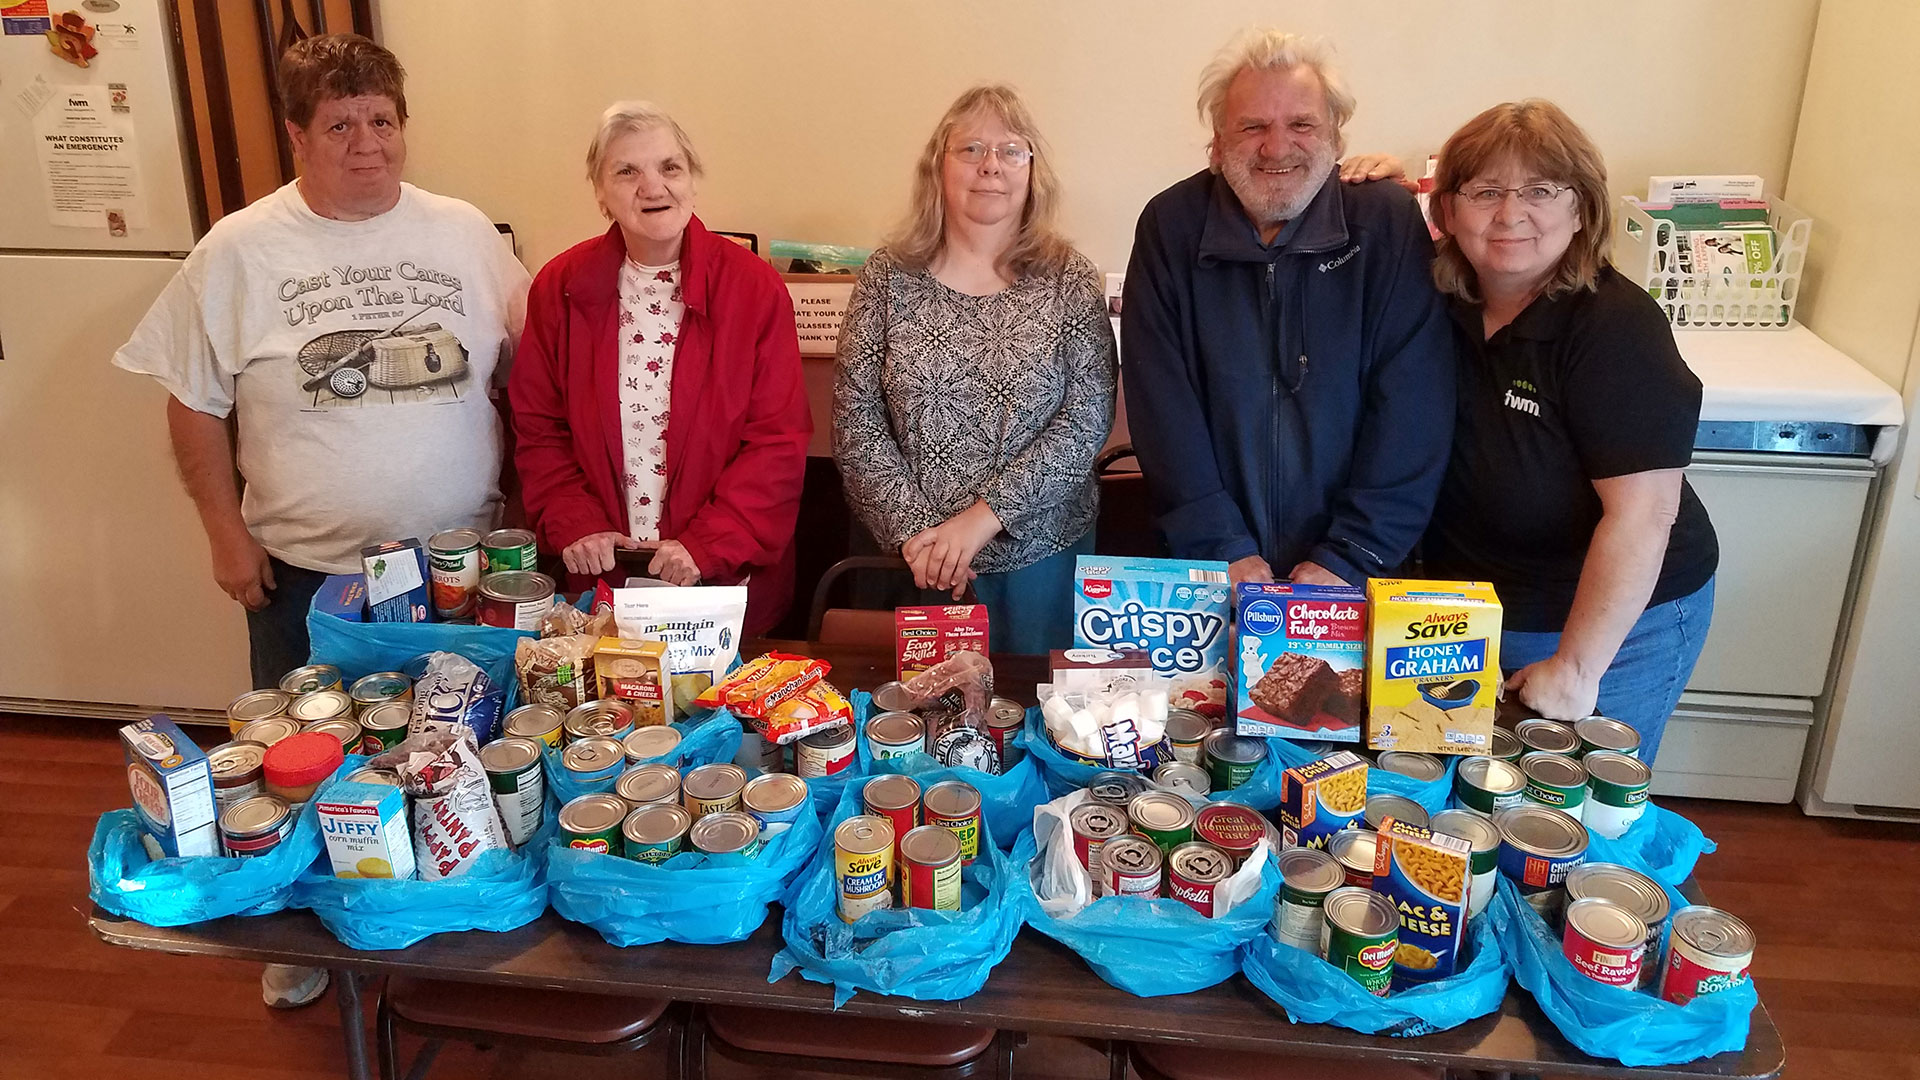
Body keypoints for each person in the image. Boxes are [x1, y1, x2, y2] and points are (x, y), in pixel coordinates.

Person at [113, 34, 529, 1008]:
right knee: (305, 762)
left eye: (381, 120)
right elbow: (189, 398)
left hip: (454, 568)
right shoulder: (241, 248)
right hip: (303, 570)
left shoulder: (469, 233)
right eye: (339, 124)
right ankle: (303, 933)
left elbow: (535, 376)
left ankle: (443, 912)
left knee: (456, 752)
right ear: (297, 134)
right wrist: (224, 530)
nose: (365, 143)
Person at [1420, 100, 1718, 762]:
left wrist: (1579, 667)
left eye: (1540, 191)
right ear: (1447, 210)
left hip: (1607, 625)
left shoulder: (1614, 327)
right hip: (1467, 612)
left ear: (1582, 209)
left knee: (1569, 808)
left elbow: (1643, 515)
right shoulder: (1438, 299)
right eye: (1485, 191)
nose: (1510, 213)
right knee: (1468, 801)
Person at [1122, 29, 1454, 588]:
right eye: (1252, 126)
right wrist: (1221, 547)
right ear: (1217, 140)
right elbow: (1162, 404)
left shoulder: (1386, 224)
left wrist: (1348, 555)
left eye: (1301, 124)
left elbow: (1414, 408)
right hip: (1208, 574)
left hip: (1358, 575)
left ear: (1336, 135)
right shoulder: (1171, 225)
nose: (1276, 148)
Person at [832, 85, 1117, 654]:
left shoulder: (1070, 278)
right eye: (970, 149)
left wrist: (983, 519)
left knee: (1036, 724)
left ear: (1033, 170)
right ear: (937, 166)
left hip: (1044, 558)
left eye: (1012, 150)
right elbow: (855, 417)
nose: (991, 166)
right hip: (918, 563)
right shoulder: (888, 275)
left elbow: (1086, 419)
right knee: (923, 724)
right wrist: (920, 536)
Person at [509, 102, 810, 637]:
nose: (653, 187)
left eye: (670, 167)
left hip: (720, 581)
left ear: (692, 181)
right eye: (627, 171)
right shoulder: (559, 288)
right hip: (603, 581)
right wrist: (577, 523)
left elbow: (776, 442)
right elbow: (539, 426)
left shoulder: (754, 289)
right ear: (601, 194)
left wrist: (707, 544)